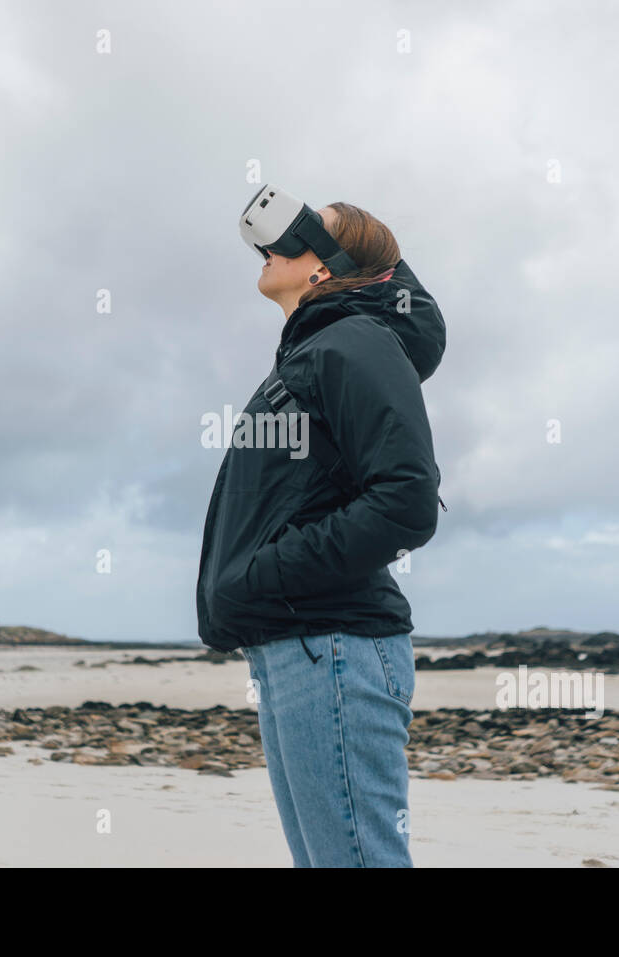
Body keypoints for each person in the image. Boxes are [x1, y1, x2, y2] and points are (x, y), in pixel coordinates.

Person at [196, 199, 446, 867]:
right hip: (297, 643)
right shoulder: (313, 352)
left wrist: (267, 574)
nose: (272, 239)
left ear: (327, 266)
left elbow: (407, 500)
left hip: (331, 643)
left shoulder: (353, 341)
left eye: (307, 227)